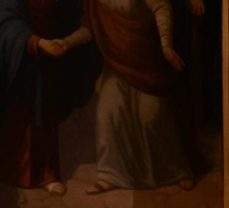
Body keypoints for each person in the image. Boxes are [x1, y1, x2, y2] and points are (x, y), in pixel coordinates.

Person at [0, 0, 97, 195]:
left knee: (44, 105)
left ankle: (46, 174)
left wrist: (65, 40)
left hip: (51, 47)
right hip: (17, 50)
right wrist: (35, 42)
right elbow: (4, 20)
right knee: (10, 109)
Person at [82, 0, 196, 194]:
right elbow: (90, 28)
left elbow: (161, 7)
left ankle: (175, 171)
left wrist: (166, 44)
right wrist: (66, 42)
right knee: (108, 113)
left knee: (150, 118)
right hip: (117, 68)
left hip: (147, 65)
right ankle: (110, 175)